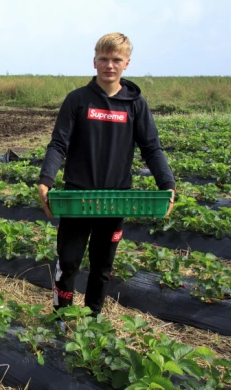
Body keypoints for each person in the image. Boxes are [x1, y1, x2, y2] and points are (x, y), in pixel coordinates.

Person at [37, 33, 175, 329]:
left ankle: (92, 320)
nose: (109, 65)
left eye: (116, 60)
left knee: (102, 267)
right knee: (69, 261)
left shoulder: (135, 104)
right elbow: (58, 143)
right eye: (103, 59)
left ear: (126, 63)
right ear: (94, 61)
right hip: (77, 198)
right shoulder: (78, 100)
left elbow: (152, 148)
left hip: (115, 199)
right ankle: (61, 316)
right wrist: (46, 179)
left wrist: (168, 185)